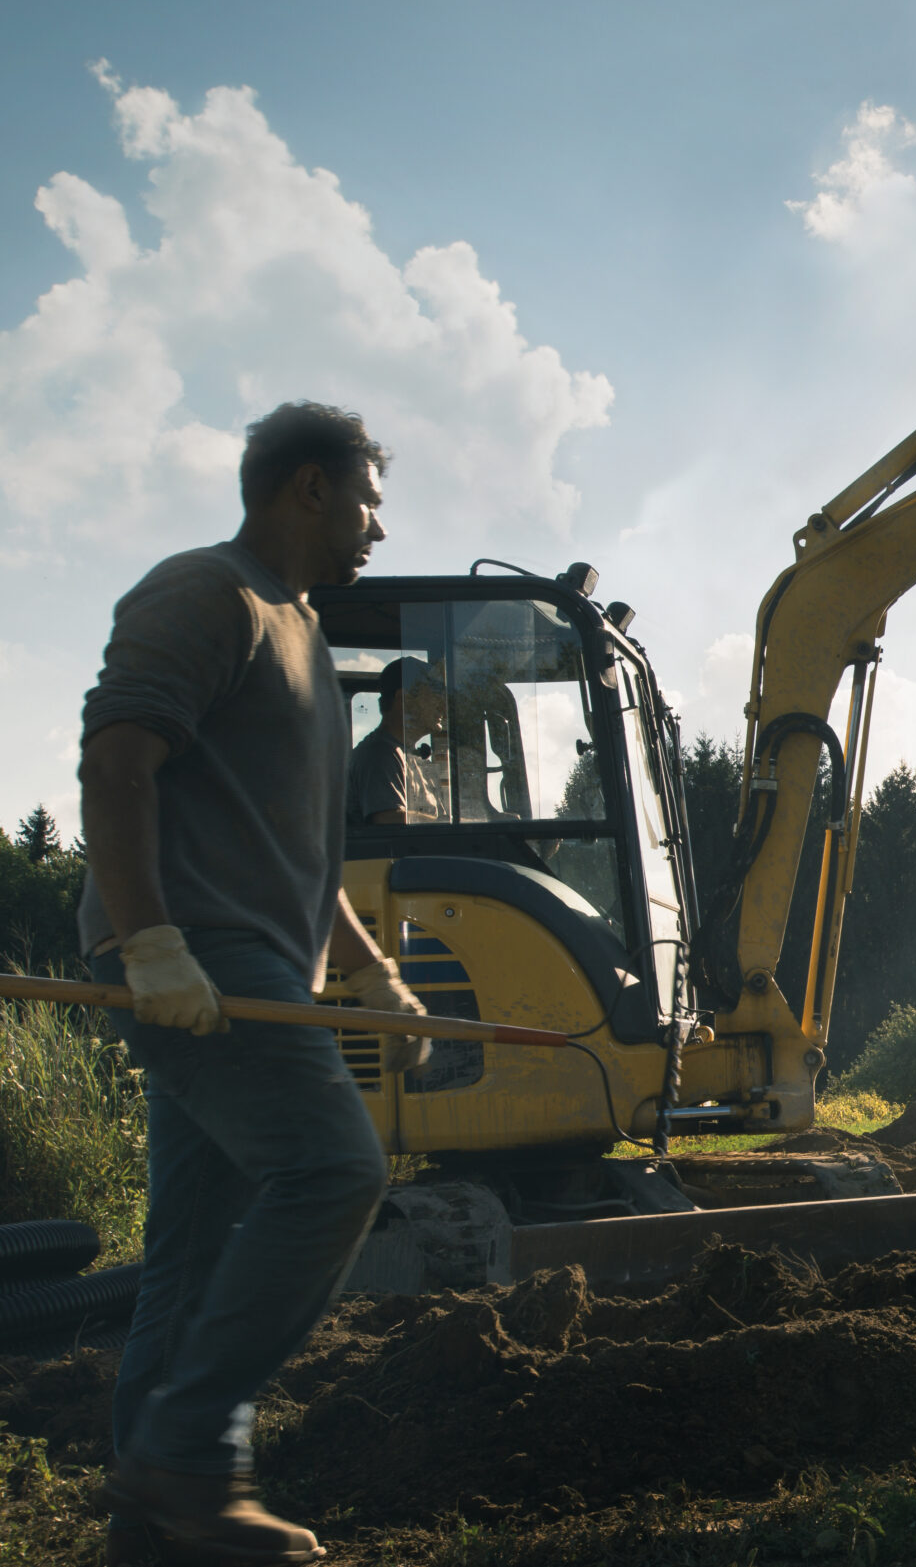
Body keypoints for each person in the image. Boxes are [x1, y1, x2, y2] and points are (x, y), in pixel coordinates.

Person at [77, 401, 436, 1565]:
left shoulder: (308, 643)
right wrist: (149, 943)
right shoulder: (208, 594)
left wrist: (375, 971)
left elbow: (301, 850)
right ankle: (188, 1458)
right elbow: (117, 758)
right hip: (196, 958)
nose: (378, 527)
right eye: (371, 499)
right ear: (311, 487)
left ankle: (150, 1528)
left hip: (252, 969)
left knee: (187, 1258)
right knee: (335, 1169)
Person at [347, 655, 448, 824]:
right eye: (434, 696)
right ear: (404, 698)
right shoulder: (379, 754)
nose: (443, 706)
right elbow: (388, 819)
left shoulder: (407, 755)